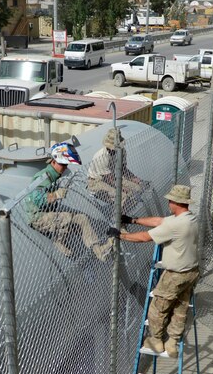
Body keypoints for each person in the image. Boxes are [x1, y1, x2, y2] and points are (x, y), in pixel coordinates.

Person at [109, 184, 199, 358]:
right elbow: (159, 221)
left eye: (170, 201)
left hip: (176, 275)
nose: (168, 203)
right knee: (180, 308)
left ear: (176, 202)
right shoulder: (189, 219)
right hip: (192, 271)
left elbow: (144, 237)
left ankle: (156, 340)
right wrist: (132, 220)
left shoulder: (175, 226)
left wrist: (120, 235)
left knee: (158, 307)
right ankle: (172, 342)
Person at [23, 142, 114, 261]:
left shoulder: (55, 175)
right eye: (63, 164)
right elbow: (37, 199)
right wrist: (55, 195)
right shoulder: (44, 177)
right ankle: (58, 239)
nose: (65, 167)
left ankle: (99, 251)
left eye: (66, 164)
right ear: (54, 161)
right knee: (66, 216)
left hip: (49, 213)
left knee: (81, 218)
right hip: (38, 217)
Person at [87, 127, 148, 212]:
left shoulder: (121, 151)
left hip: (114, 177)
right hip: (98, 181)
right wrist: (125, 189)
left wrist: (138, 180)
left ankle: (126, 212)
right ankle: (116, 219)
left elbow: (123, 170)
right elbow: (109, 180)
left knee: (138, 188)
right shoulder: (101, 156)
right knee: (123, 195)